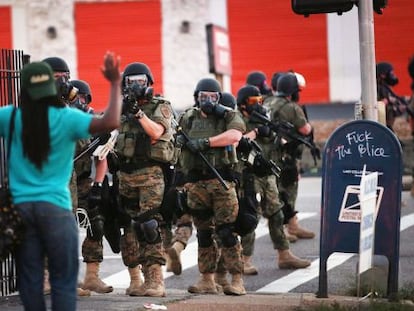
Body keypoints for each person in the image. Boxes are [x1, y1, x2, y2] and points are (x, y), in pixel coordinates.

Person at [0, 51, 121, 311]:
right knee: (64, 280)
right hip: (56, 208)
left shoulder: (10, 116)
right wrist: (114, 83)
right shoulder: (68, 118)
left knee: (30, 279)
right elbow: (110, 121)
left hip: (20, 211)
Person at [177, 77, 246, 296]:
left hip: (221, 182)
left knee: (226, 232)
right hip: (197, 184)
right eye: (203, 96)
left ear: (219, 97)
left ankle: (236, 279)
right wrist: (179, 142)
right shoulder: (188, 117)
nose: (208, 100)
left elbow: (235, 135)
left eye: (213, 97)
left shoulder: (227, 116)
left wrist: (206, 143)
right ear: (196, 98)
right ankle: (207, 279)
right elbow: (176, 138)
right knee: (204, 233)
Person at [114, 61, 175, 297]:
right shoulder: (120, 107)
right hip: (125, 174)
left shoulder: (160, 106)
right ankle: (136, 279)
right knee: (128, 227)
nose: (136, 85)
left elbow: (156, 132)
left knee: (149, 224)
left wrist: (137, 113)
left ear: (149, 83)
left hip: (150, 174)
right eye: (131, 81)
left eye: (140, 81)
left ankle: (156, 280)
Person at [235, 84, 311, 274]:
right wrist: (256, 132)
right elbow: (236, 141)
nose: (257, 104)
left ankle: (284, 255)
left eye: (259, 101)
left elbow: (273, 141)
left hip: (266, 172)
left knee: (277, 214)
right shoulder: (235, 118)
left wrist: (278, 137)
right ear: (243, 104)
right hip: (248, 174)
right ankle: (244, 260)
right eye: (253, 101)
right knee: (251, 217)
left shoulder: (262, 117)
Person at [69, 79, 114, 294]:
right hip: (63, 180)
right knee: (63, 229)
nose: (80, 102)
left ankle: (92, 276)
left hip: (84, 178)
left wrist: (97, 186)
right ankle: (63, 278)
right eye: (76, 98)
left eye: (84, 98)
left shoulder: (94, 122)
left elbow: (101, 157)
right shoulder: (63, 120)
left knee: (96, 222)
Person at [264, 72, 316, 241]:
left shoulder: (267, 102)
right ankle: (283, 228)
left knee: (275, 190)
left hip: (267, 154)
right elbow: (305, 130)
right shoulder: (292, 107)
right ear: (293, 91)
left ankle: (291, 225)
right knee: (287, 191)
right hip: (286, 157)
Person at [376, 61, 410, 133]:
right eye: (391, 73)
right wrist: (385, 101)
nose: (393, 75)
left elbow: (394, 97)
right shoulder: (378, 87)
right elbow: (380, 102)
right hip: (383, 116)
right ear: (383, 75)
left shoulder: (385, 86)